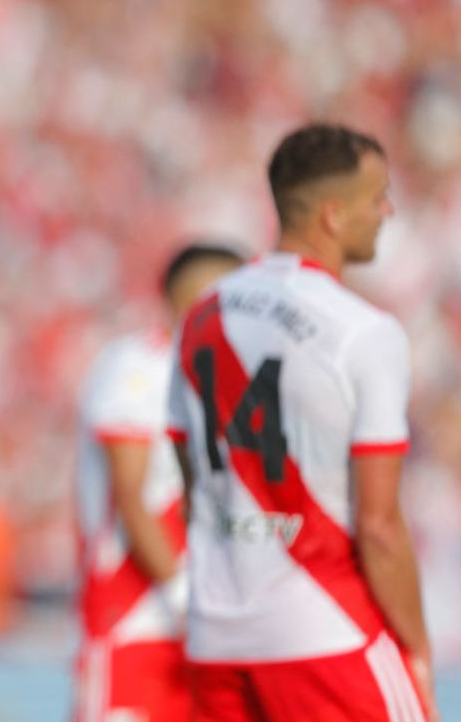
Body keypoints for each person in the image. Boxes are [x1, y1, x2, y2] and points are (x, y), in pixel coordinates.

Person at [167, 124, 438, 721]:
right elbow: (381, 526)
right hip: (326, 636)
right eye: (378, 197)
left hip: (216, 636)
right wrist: (417, 644)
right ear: (334, 215)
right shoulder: (365, 332)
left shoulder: (201, 316)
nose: (387, 212)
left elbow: (193, 487)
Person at [73, 244, 242, 722]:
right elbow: (131, 499)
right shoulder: (136, 368)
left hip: (203, 624)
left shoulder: (220, 376)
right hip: (135, 617)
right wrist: (183, 595)